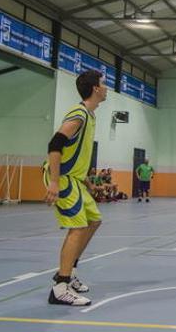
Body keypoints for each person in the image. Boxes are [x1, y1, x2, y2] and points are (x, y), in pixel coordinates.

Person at [44, 70, 106, 306]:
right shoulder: (79, 114)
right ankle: (60, 286)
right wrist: (54, 181)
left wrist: (86, 179)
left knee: (93, 221)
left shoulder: (90, 115)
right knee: (78, 227)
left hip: (76, 179)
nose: (106, 87)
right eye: (103, 83)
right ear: (95, 88)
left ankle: (71, 272)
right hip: (63, 177)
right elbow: (55, 143)